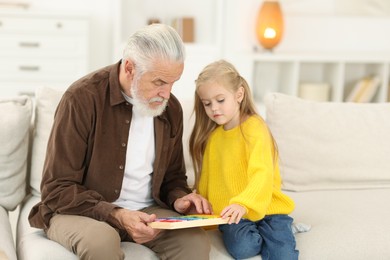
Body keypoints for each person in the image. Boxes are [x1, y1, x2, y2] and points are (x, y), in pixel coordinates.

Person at [28, 24, 212, 260]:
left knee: (195, 243)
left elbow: (172, 178)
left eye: (173, 82)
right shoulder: (82, 99)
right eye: (159, 82)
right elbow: (57, 188)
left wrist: (179, 199)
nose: (167, 93)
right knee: (101, 242)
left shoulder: (170, 109)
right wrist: (117, 214)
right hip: (80, 212)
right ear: (130, 68)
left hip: (147, 213)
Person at [189, 60, 299, 260]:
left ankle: (283, 232)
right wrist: (200, 211)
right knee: (243, 248)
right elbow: (208, 181)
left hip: (268, 209)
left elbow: (262, 173)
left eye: (220, 100)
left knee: (283, 254)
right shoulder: (213, 139)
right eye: (207, 103)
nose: (214, 108)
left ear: (239, 95)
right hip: (234, 216)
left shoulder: (255, 128)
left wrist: (243, 203)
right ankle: (267, 236)